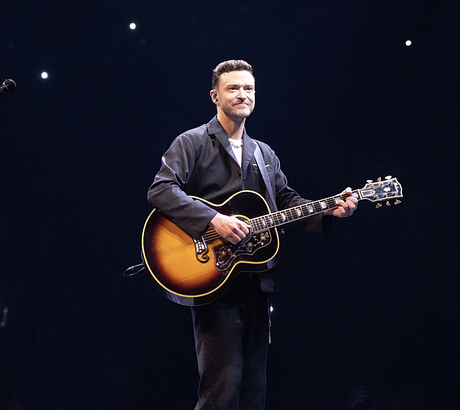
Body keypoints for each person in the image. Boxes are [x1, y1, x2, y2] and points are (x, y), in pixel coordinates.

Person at [147, 59, 358, 410]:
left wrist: (329, 208)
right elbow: (161, 190)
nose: (242, 94)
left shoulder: (264, 153)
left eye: (248, 88)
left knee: (253, 390)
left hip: (256, 280)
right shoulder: (192, 142)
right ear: (215, 96)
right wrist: (213, 220)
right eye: (233, 88)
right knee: (222, 387)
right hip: (211, 276)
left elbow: (286, 201)